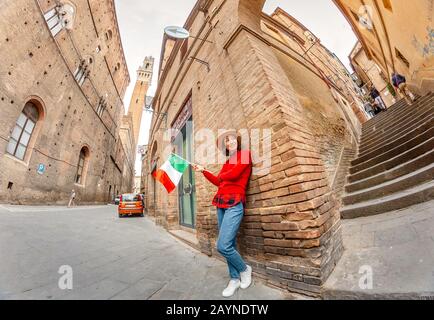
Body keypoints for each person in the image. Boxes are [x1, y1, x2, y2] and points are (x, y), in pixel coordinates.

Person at [192, 131, 253, 298]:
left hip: (235, 204)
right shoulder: (228, 162)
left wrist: (221, 177)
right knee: (229, 244)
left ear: (237, 142)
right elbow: (219, 181)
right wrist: (203, 171)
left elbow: (231, 175)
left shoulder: (245, 155)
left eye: (232, 139)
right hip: (221, 204)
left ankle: (244, 269)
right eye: (227, 141)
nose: (229, 141)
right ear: (226, 146)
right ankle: (234, 279)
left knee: (222, 245)